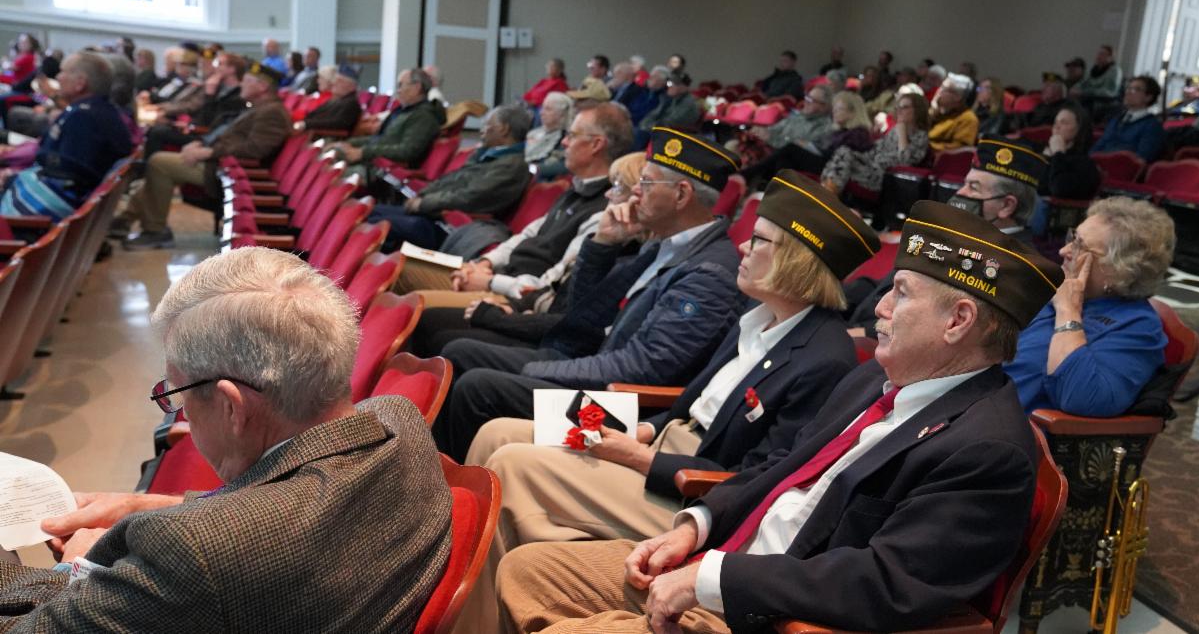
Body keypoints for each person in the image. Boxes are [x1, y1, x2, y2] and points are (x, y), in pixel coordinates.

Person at [494, 200, 1064, 634]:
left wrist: (713, 576)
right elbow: (779, 468)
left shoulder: (986, 448)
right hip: (720, 546)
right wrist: (697, 524)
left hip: (766, 606)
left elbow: (885, 582)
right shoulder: (871, 378)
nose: (880, 308)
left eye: (901, 294)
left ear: (958, 321)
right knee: (522, 564)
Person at [458, 172, 875, 632]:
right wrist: (644, 430)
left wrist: (639, 456)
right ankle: (462, 597)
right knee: (498, 431)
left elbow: (760, 475)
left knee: (515, 464)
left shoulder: (824, 358)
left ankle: (474, 623)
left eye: (758, 240)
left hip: (686, 482)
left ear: (796, 263)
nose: (742, 246)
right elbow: (690, 401)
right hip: (654, 438)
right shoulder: (758, 316)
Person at [0, 248, 451, 632]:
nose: (178, 410)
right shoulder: (400, 423)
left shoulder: (197, 555)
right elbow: (275, 508)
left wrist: (77, 571)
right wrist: (146, 507)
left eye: (176, 394)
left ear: (231, 406)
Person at [431, 129, 744, 462]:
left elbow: (640, 369)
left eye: (647, 183)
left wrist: (540, 370)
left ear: (681, 195)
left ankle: (448, 483)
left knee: (478, 388)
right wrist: (602, 244)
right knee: (459, 352)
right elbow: (582, 313)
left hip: (623, 408)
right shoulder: (665, 245)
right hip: (599, 369)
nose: (636, 191)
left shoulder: (709, 274)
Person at [412, 151, 643, 359]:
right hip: (527, 301)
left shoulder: (611, 237)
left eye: (618, 187)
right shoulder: (574, 198)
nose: (609, 194)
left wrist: (501, 304)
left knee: (425, 318)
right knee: (423, 313)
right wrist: (485, 262)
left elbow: (572, 316)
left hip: (525, 300)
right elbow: (528, 236)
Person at [397, 102, 627, 303]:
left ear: (596, 145)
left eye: (573, 135)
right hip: (498, 276)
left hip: (511, 297)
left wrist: (489, 282)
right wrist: (486, 262)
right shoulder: (574, 190)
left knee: (406, 294)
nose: (565, 142)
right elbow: (528, 234)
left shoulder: (604, 211)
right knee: (401, 265)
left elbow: (552, 286)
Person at [845, 136, 1043, 338]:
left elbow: (936, 324)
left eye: (973, 187)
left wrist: (860, 332)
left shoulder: (1014, 267)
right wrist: (842, 298)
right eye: (965, 184)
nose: (960, 193)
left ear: (1007, 206)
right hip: (865, 321)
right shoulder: (957, 233)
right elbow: (890, 284)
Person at [1007, 197, 1172, 417]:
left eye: (1079, 246)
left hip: (1008, 426)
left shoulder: (1139, 327)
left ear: (1118, 269)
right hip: (975, 404)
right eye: (1072, 238)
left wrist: (1068, 311)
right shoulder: (1054, 290)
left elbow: (1082, 399)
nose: (1063, 250)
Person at [117, 61, 291, 249]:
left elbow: (255, 149)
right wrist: (200, 144)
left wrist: (208, 152)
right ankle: (123, 221)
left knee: (159, 163)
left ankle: (154, 231)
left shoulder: (272, 112)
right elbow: (228, 135)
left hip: (228, 171)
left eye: (248, 81)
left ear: (262, 87)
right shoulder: (258, 107)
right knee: (158, 168)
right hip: (220, 164)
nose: (242, 84)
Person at [366, 104, 531, 252]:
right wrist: (423, 196)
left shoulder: (511, 166)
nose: (482, 129)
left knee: (373, 222)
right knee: (368, 211)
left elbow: (470, 197)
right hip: (436, 214)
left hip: (448, 227)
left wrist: (424, 203)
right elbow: (450, 180)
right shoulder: (488, 155)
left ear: (503, 129)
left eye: (488, 124)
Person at [0, 53, 132, 221]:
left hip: (41, 217)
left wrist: (12, 176)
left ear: (80, 83)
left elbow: (64, 175)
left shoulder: (83, 118)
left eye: (63, 71)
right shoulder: (100, 112)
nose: (58, 77)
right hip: (69, 213)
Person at [327, 68, 445, 182]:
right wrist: (349, 143)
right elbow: (380, 139)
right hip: (373, 161)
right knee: (329, 154)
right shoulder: (405, 111)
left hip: (383, 171)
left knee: (327, 173)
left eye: (401, 85)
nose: (398, 90)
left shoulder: (423, 117)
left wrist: (363, 152)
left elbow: (406, 152)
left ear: (416, 87)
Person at [742, 90, 872, 187]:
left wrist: (809, 146)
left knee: (792, 148)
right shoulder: (841, 131)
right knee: (785, 159)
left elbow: (839, 158)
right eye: (835, 109)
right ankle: (773, 190)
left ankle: (751, 175)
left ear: (852, 113)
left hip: (835, 171)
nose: (835, 112)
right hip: (827, 164)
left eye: (839, 109)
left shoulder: (858, 134)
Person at [140, 52, 248, 160]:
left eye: (219, 64)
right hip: (195, 128)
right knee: (156, 128)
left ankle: (147, 165)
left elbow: (210, 120)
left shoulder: (238, 95)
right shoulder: (217, 87)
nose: (215, 67)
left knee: (157, 132)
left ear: (231, 69)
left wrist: (209, 95)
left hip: (206, 136)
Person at [822, 91, 930, 198]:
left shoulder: (921, 137)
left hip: (883, 177)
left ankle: (828, 194)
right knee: (844, 152)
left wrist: (902, 134)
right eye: (898, 107)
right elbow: (875, 151)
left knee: (844, 158)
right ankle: (826, 189)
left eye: (905, 107)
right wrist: (857, 156)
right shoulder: (894, 131)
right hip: (870, 166)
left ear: (917, 110)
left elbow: (905, 161)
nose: (899, 111)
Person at [1029, 102, 1102, 236]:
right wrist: (1047, 158)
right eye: (1055, 122)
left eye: (1064, 122)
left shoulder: (1085, 163)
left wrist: (1058, 154)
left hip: (1057, 219)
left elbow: (1058, 189)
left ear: (1079, 129)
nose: (1056, 127)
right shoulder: (1047, 154)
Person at [1090, 74, 1165, 163]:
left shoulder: (1152, 126)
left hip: (1120, 167)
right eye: (1128, 88)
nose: (1128, 92)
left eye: (1136, 89)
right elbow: (1099, 145)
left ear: (1148, 97)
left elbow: (1142, 159)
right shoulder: (1117, 119)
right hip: (1097, 165)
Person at [635, 71, 701, 147]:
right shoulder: (670, 99)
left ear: (684, 87)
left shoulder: (688, 103)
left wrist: (648, 127)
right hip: (659, 131)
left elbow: (672, 121)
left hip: (672, 136)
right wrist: (644, 125)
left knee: (639, 135)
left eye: (672, 84)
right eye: (668, 83)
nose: (669, 86)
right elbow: (652, 115)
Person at [294, 64, 363, 133]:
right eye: (336, 80)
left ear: (351, 86)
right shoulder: (338, 100)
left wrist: (306, 124)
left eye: (340, 81)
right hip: (309, 130)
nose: (334, 83)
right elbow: (313, 114)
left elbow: (338, 123)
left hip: (323, 135)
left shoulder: (351, 103)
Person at [928, 73, 979, 152]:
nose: (938, 92)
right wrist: (932, 113)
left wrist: (925, 147)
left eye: (944, 89)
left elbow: (959, 149)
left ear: (958, 97)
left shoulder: (968, 119)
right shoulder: (938, 112)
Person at [1071, 44, 1123, 116]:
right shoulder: (1094, 69)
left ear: (1110, 57)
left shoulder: (1115, 71)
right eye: (1099, 54)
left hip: (1104, 103)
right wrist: (1075, 88)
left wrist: (1084, 92)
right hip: (1087, 99)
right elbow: (1082, 82)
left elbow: (1109, 92)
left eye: (1103, 54)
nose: (1099, 56)